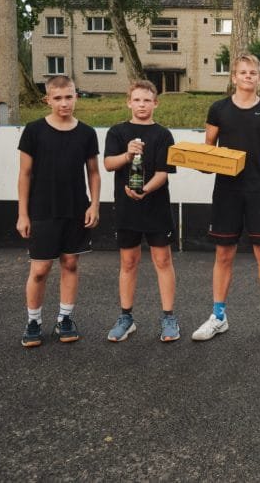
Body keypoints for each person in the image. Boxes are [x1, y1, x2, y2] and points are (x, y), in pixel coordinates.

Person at [191, 52, 260, 341]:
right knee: (224, 253)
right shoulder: (218, 109)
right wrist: (199, 162)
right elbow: (208, 153)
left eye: (253, 72)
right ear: (234, 77)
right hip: (227, 191)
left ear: (259, 77)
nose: (248, 76)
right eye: (243, 72)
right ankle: (218, 316)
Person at [17, 75, 100, 347]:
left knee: (70, 263)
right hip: (42, 210)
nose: (64, 103)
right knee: (40, 269)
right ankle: (33, 321)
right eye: (58, 98)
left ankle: (65, 319)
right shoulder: (33, 131)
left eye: (69, 97)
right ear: (47, 100)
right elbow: (24, 174)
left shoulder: (87, 133)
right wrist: (23, 214)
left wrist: (94, 204)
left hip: (75, 209)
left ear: (76, 96)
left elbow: (94, 173)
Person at [103, 80, 179, 342]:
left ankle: (169, 318)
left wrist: (145, 189)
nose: (142, 105)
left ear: (155, 103)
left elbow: (163, 173)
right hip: (126, 209)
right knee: (128, 262)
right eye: (137, 100)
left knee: (163, 261)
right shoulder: (117, 132)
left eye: (147, 100)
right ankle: (126, 318)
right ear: (129, 102)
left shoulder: (163, 135)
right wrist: (127, 155)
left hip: (156, 208)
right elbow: (108, 164)